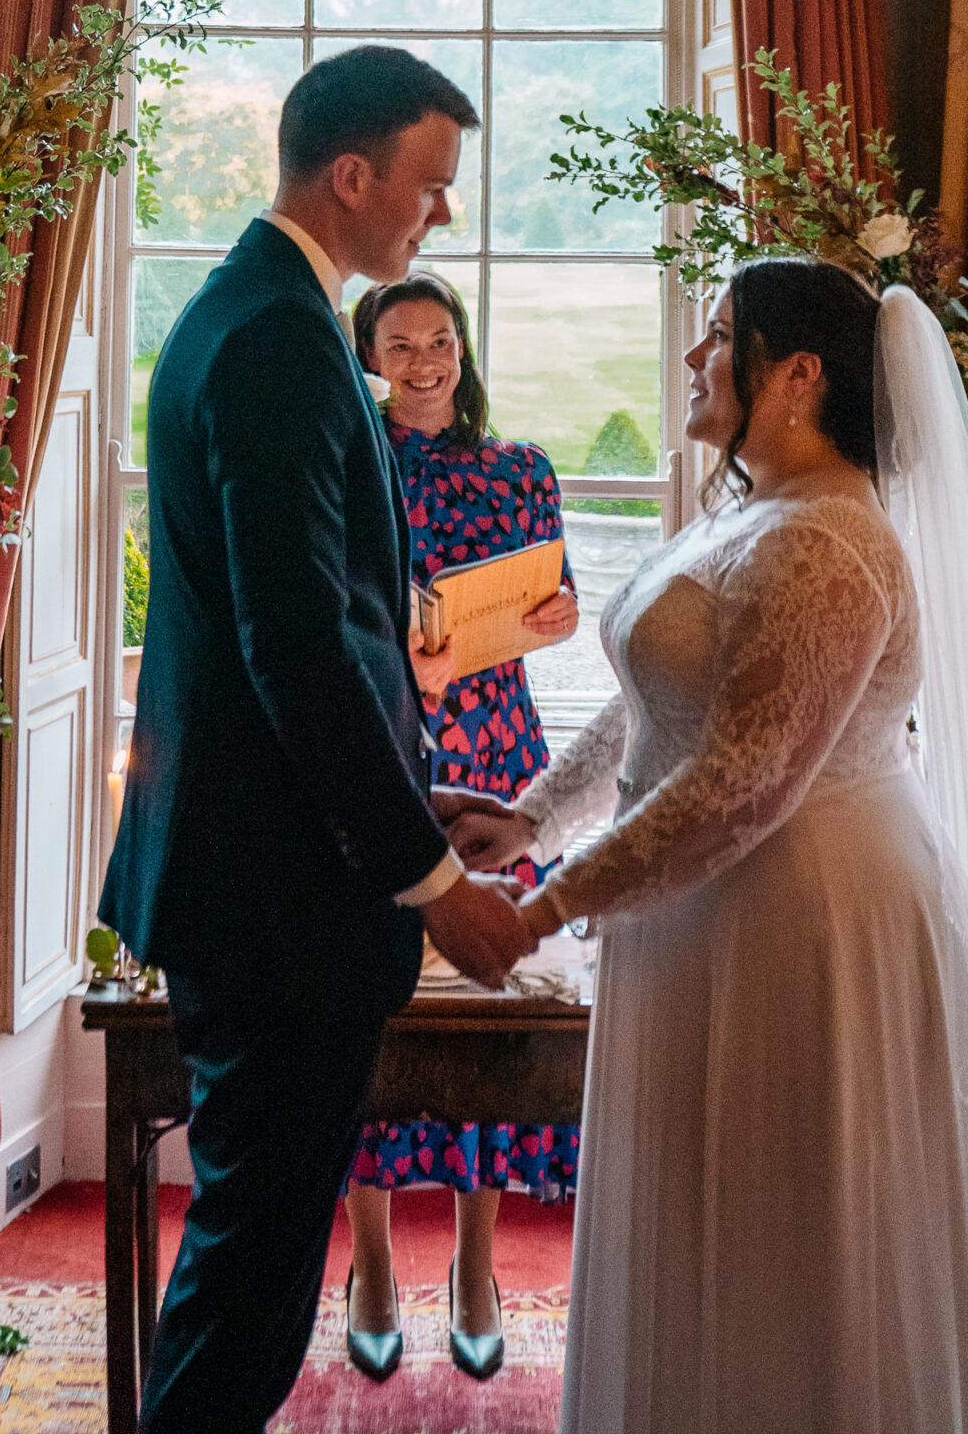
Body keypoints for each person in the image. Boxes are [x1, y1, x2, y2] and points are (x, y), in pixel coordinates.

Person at [444, 256, 968, 1433]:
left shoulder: (829, 545)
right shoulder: (745, 512)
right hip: (698, 912)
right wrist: (530, 815)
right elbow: (651, 704)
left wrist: (539, 906)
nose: (696, 358)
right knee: (704, 1218)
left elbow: (742, 786)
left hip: (804, 919)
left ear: (796, 375)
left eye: (719, 334)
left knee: (796, 1235)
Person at [100, 46, 531, 1434]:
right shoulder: (281, 341)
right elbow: (294, 648)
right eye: (427, 186)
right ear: (351, 177)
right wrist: (427, 877)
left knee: (249, 1267)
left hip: (251, 872)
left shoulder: (252, 314)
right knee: (249, 1290)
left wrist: (425, 778)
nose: (437, 218)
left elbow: (325, 634)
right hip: (274, 899)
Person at [343, 271, 580, 1384]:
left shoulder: (523, 467)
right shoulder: (350, 461)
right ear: (368, 352)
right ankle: (375, 1265)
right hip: (385, 749)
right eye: (400, 341)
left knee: (490, 1003)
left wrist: (557, 614)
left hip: (501, 753)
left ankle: (479, 1266)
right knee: (375, 1007)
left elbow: (556, 600)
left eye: (441, 339)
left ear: (463, 347)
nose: (425, 359)